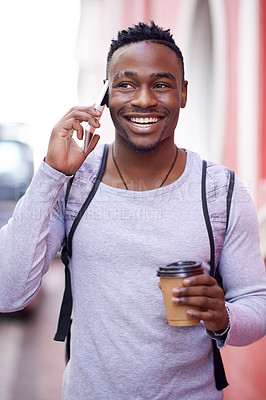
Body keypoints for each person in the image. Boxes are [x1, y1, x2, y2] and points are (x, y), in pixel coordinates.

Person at [0, 21, 266, 400]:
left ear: (183, 93)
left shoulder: (220, 191)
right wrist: (51, 174)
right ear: (105, 97)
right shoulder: (74, 183)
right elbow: (7, 292)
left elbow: (257, 304)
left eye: (161, 84)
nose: (143, 100)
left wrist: (225, 317)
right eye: (126, 84)